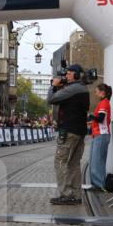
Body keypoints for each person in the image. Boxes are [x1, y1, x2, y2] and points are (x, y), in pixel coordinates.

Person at [47, 64, 91, 205]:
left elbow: (51, 99)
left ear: (76, 75)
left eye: (69, 73)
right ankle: (76, 195)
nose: (66, 75)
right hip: (79, 131)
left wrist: (53, 86)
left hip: (69, 131)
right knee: (74, 164)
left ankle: (65, 194)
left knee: (60, 161)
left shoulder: (73, 89)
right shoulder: (82, 88)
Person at [83, 83, 112, 192]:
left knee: (97, 160)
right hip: (98, 134)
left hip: (101, 134)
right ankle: (96, 184)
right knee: (94, 160)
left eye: (96, 91)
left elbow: (100, 118)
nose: (95, 94)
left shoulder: (104, 103)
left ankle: (99, 184)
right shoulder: (103, 102)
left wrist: (91, 116)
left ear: (102, 92)